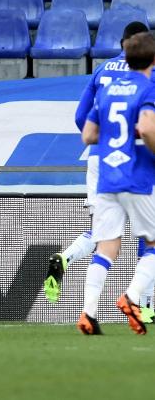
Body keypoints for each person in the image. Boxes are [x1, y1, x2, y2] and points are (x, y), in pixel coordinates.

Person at [43, 22, 154, 318]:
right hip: (139, 158)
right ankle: (143, 306)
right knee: (148, 233)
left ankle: (65, 259)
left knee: (106, 229)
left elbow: (82, 117)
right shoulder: (148, 75)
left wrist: (106, 142)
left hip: (100, 157)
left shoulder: (103, 69)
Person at [77, 32, 155, 335]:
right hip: (136, 176)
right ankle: (132, 298)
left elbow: (88, 135)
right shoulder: (148, 87)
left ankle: (88, 314)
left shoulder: (107, 90)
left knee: (106, 247)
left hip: (107, 177)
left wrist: (115, 137)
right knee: (152, 242)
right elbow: (147, 128)